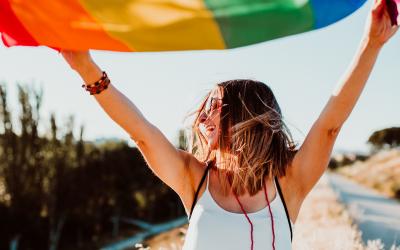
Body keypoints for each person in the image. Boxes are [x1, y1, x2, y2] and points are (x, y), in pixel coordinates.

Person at [60, 0, 397, 249]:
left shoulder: (290, 179)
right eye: (204, 108)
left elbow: (330, 124)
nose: (202, 116)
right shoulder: (194, 177)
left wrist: (371, 44)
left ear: (246, 116)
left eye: (216, 107)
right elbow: (141, 133)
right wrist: (87, 69)